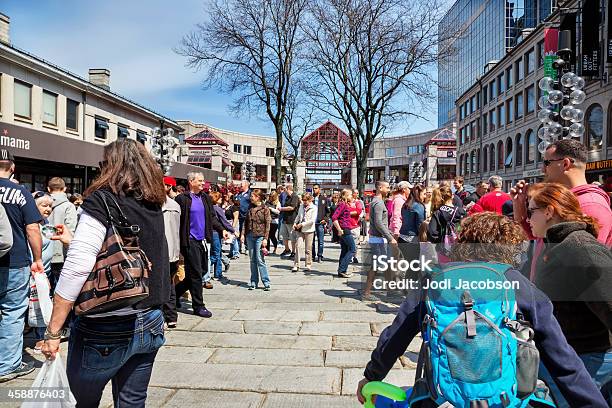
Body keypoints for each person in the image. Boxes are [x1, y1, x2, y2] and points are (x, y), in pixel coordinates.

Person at [357, 212, 609, 407]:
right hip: (507, 398)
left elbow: (396, 334)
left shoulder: (434, 281)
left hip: (442, 396)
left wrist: (372, 376)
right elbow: (564, 362)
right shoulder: (519, 285)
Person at [41, 139, 170, 407]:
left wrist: (53, 331)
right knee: (132, 401)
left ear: (112, 167)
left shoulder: (102, 200)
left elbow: (77, 267)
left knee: (82, 401)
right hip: (150, 317)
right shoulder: (153, 203)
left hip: (106, 323)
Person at [526, 182, 612, 406]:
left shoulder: (580, 248)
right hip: (568, 356)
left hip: (586, 360)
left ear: (549, 211)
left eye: (530, 211)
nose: (527, 219)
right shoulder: (558, 243)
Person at [0, 149, 43, 382]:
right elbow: (33, 228)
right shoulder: (20, 192)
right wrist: (37, 259)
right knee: (12, 313)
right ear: (12, 168)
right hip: (14, 262)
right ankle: (7, 365)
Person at [175, 172, 226, 318]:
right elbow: (177, 221)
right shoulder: (182, 199)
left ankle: (173, 294)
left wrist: (222, 230)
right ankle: (198, 306)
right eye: (200, 181)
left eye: (203, 181)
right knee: (196, 273)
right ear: (191, 182)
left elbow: (211, 217)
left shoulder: (205, 198)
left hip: (203, 240)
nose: (203, 183)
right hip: (189, 241)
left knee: (200, 271)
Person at [29, 191, 56, 351]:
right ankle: (39, 338)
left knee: (42, 304)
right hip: (35, 272)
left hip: (46, 270)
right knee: (37, 304)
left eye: (50, 206)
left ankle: (40, 336)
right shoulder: (31, 225)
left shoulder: (45, 222)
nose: (48, 209)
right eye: (44, 205)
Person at [363, 181, 397, 301]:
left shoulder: (377, 201)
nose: (389, 189)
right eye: (387, 187)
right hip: (378, 238)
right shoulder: (378, 203)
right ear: (380, 188)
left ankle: (390, 289)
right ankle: (367, 293)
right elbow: (378, 223)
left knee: (385, 264)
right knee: (376, 265)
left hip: (378, 237)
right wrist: (390, 237)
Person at [46, 177, 78, 293]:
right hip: (61, 253)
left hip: (42, 252)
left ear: (48, 189)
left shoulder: (41, 203)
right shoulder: (69, 206)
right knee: (61, 290)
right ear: (64, 189)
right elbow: (71, 231)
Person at [241, 189, 271, 290]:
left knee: (259, 259)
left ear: (258, 197)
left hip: (260, 236)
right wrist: (242, 234)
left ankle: (266, 282)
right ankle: (254, 281)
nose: (250, 198)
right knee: (252, 259)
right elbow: (246, 222)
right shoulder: (250, 207)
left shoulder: (265, 209)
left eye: (252, 196)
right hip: (250, 236)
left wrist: (265, 238)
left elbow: (268, 225)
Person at [162, 176, 181, 329]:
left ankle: (166, 315)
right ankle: (171, 316)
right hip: (173, 250)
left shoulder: (159, 205)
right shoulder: (175, 205)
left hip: (163, 251)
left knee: (164, 283)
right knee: (170, 284)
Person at [210, 191, 235, 283]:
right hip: (216, 232)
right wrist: (233, 230)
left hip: (211, 232)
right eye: (220, 198)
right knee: (216, 254)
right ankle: (205, 270)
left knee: (218, 253)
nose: (222, 199)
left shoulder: (209, 208)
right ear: (216, 199)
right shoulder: (217, 208)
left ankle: (218, 274)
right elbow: (224, 221)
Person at [398, 184, 426, 263]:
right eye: (424, 194)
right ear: (418, 194)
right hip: (412, 239)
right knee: (414, 266)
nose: (425, 196)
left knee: (409, 265)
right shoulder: (419, 206)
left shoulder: (406, 204)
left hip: (402, 237)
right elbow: (420, 225)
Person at [332, 189, 356, 278]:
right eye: (350, 195)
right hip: (344, 229)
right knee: (352, 249)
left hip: (345, 228)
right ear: (345, 196)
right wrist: (339, 229)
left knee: (345, 250)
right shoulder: (342, 204)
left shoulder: (344, 204)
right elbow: (334, 217)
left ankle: (341, 271)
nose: (352, 196)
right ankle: (342, 269)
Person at [292, 193, 316, 272]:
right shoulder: (301, 206)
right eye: (303, 200)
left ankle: (308, 264)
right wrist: (295, 223)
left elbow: (312, 221)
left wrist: (302, 224)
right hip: (300, 230)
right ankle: (296, 264)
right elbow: (298, 216)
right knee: (298, 246)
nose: (304, 202)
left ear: (310, 200)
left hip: (309, 230)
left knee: (308, 249)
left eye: (306, 200)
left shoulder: (314, 208)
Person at [279, 183, 300, 258]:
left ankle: (293, 251)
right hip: (285, 219)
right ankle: (287, 249)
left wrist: (282, 208)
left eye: (285, 189)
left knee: (292, 237)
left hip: (291, 219)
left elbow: (292, 207)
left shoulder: (295, 196)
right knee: (283, 235)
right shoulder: (287, 197)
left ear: (288, 189)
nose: (284, 191)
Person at [311, 184, 330, 262]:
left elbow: (328, 211)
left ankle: (320, 255)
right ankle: (312, 256)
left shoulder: (324, 199)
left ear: (319, 189)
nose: (314, 190)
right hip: (311, 223)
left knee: (320, 241)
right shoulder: (310, 198)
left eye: (316, 188)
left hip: (320, 222)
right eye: (313, 188)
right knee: (311, 241)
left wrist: (325, 220)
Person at [350, 189, 365, 263]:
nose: (356, 194)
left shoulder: (359, 202)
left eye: (357, 193)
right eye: (355, 193)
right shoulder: (349, 201)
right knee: (350, 242)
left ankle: (355, 256)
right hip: (349, 224)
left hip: (356, 225)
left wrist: (359, 218)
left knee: (356, 242)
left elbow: (362, 212)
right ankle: (349, 256)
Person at [224, 192, 240, 259]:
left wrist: (233, 227)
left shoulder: (234, 207)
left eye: (228, 197)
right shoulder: (229, 206)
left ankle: (236, 253)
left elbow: (236, 217)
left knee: (234, 238)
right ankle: (231, 253)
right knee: (231, 238)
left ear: (231, 199)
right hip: (228, 222)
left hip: (233, 222)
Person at [237, 181, 251, 254]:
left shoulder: (250, 193)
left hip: (246, 216)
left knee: (246, 232)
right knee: (239, 231)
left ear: (246, 185)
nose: (240, 186)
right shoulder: (239, 194)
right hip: (239, 216)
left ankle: (247, 247)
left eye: (241, 185)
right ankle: (238, 247)